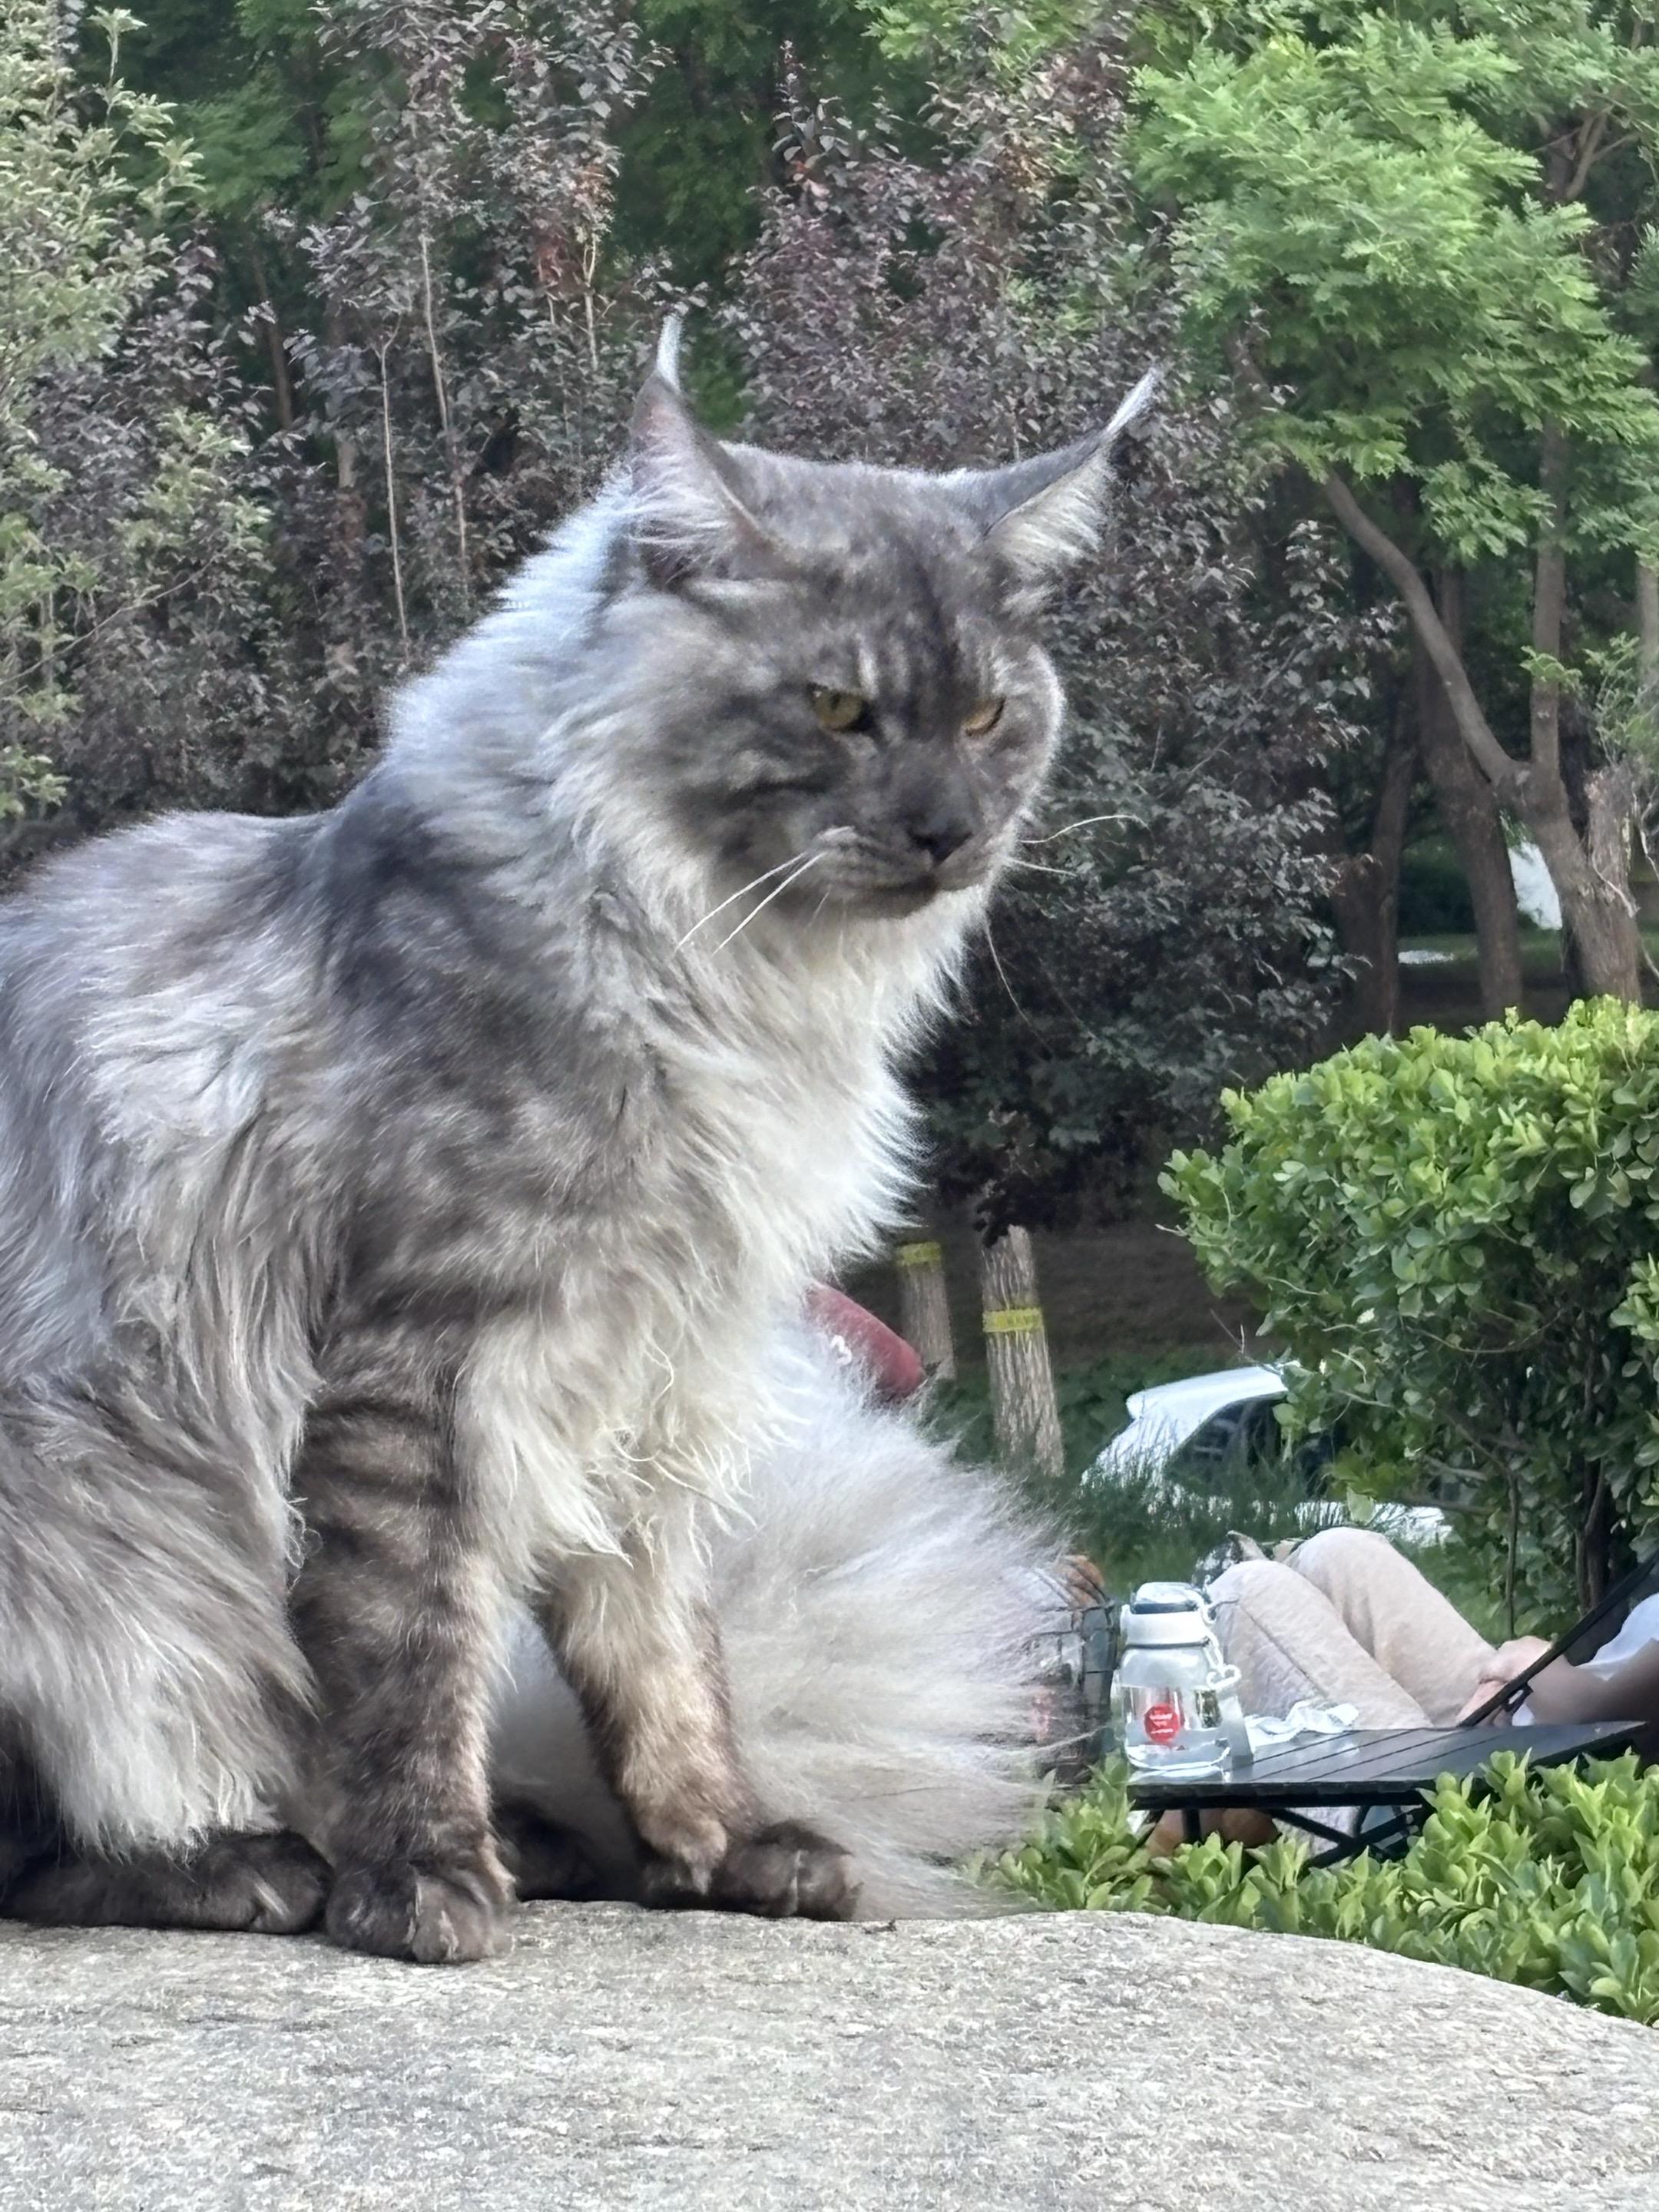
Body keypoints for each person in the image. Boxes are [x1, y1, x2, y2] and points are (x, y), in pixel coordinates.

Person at [1210, 1525, 1659, 1750]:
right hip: (1521, 1715)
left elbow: (1611, 1728)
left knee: (1249, 1593)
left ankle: (1364, 1815)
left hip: (1511, 1773)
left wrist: (1530, 1663)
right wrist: (1521, 1681)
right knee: (1339, 1554)